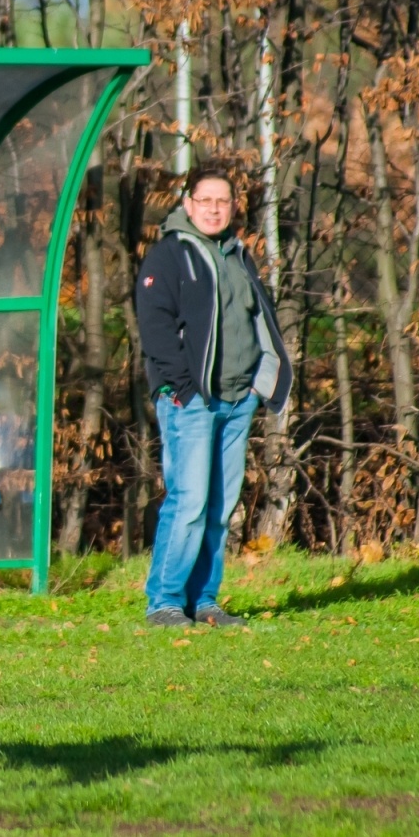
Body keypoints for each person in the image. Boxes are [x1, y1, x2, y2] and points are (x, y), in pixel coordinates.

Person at [135, 164, 293, 629]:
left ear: (232, 207)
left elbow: (257, 320)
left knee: (221, 508)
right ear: (188, 204)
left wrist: (260, 383)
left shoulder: (237, 255)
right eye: (205, 200)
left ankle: (203, 601)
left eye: (223, 201)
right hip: (192, 401)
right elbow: (156, 327)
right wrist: (183, 389)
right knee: (189, 503)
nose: (214, 209)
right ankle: (163, 602)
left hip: (237, 400)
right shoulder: (168, 255)